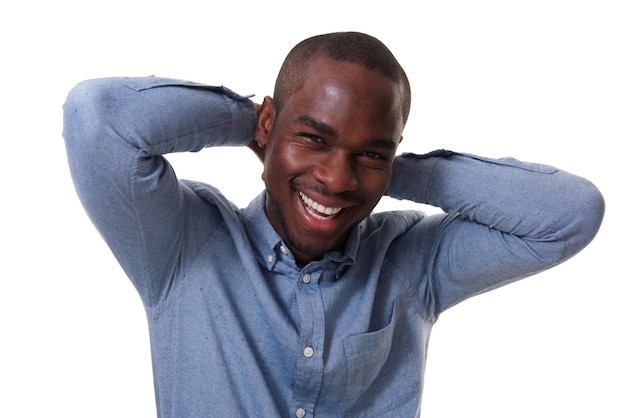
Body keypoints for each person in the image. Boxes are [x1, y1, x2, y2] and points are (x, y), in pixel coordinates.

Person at [63, 32, 604, 417]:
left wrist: (395, 170)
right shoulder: (182, 245)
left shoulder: (412, 262)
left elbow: (569, 214)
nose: (336, 178)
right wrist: (253, 124)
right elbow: (98, 118)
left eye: (368, 153)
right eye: (314, 139)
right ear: (273, 123)